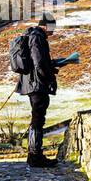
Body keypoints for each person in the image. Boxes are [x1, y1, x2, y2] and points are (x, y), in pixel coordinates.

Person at [15, 12, 61, 167]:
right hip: (37, 84)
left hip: (31, 83)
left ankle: (33, 155)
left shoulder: (30, 36)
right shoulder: (37, 37)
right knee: (38, 119)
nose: (53, 32)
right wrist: (48, 77)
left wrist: (52, 66)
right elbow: (39, 62)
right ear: (46, 26)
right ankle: (35, 157)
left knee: (37, 118)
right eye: (52, 28)